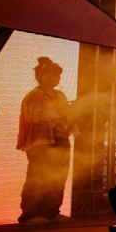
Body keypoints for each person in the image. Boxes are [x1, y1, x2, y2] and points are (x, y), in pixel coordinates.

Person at [15, 56, 73, 222]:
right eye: (52, 74)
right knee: (38, 176)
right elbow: (33, 119)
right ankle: (30, 213)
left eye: (58, 75)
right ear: (40, 76)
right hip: (40, 143)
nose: (56, 78)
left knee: (58, 176)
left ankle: (51, 211)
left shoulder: (60, 96)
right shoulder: (33, 96)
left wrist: (69, 119)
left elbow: (68, 116)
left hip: (60, 140)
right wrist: (56, 122)